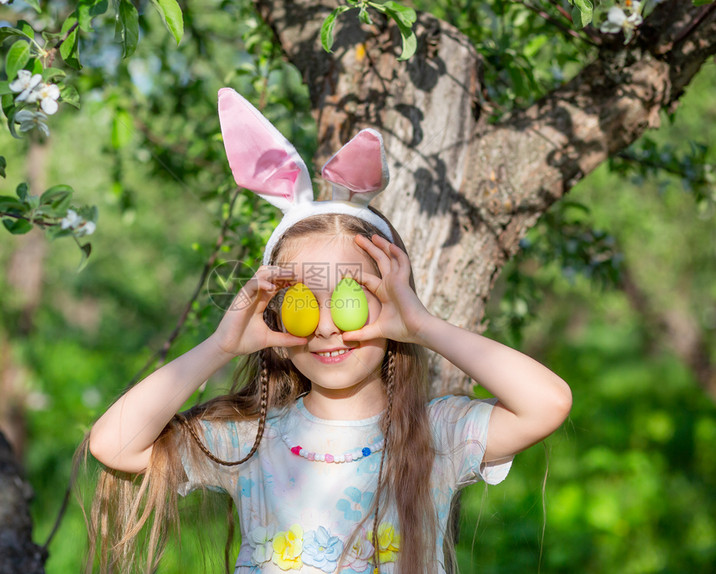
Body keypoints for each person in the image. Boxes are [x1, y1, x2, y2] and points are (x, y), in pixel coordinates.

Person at [86, 88, 572, 574]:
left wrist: (421, 324)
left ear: (389, 304)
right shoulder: (252, 439)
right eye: (299, 304)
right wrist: (220, 346)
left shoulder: (434, 433)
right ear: (274, 316)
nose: (324, 329)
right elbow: (114, 443)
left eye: (348, 301)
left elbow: (547, 402)